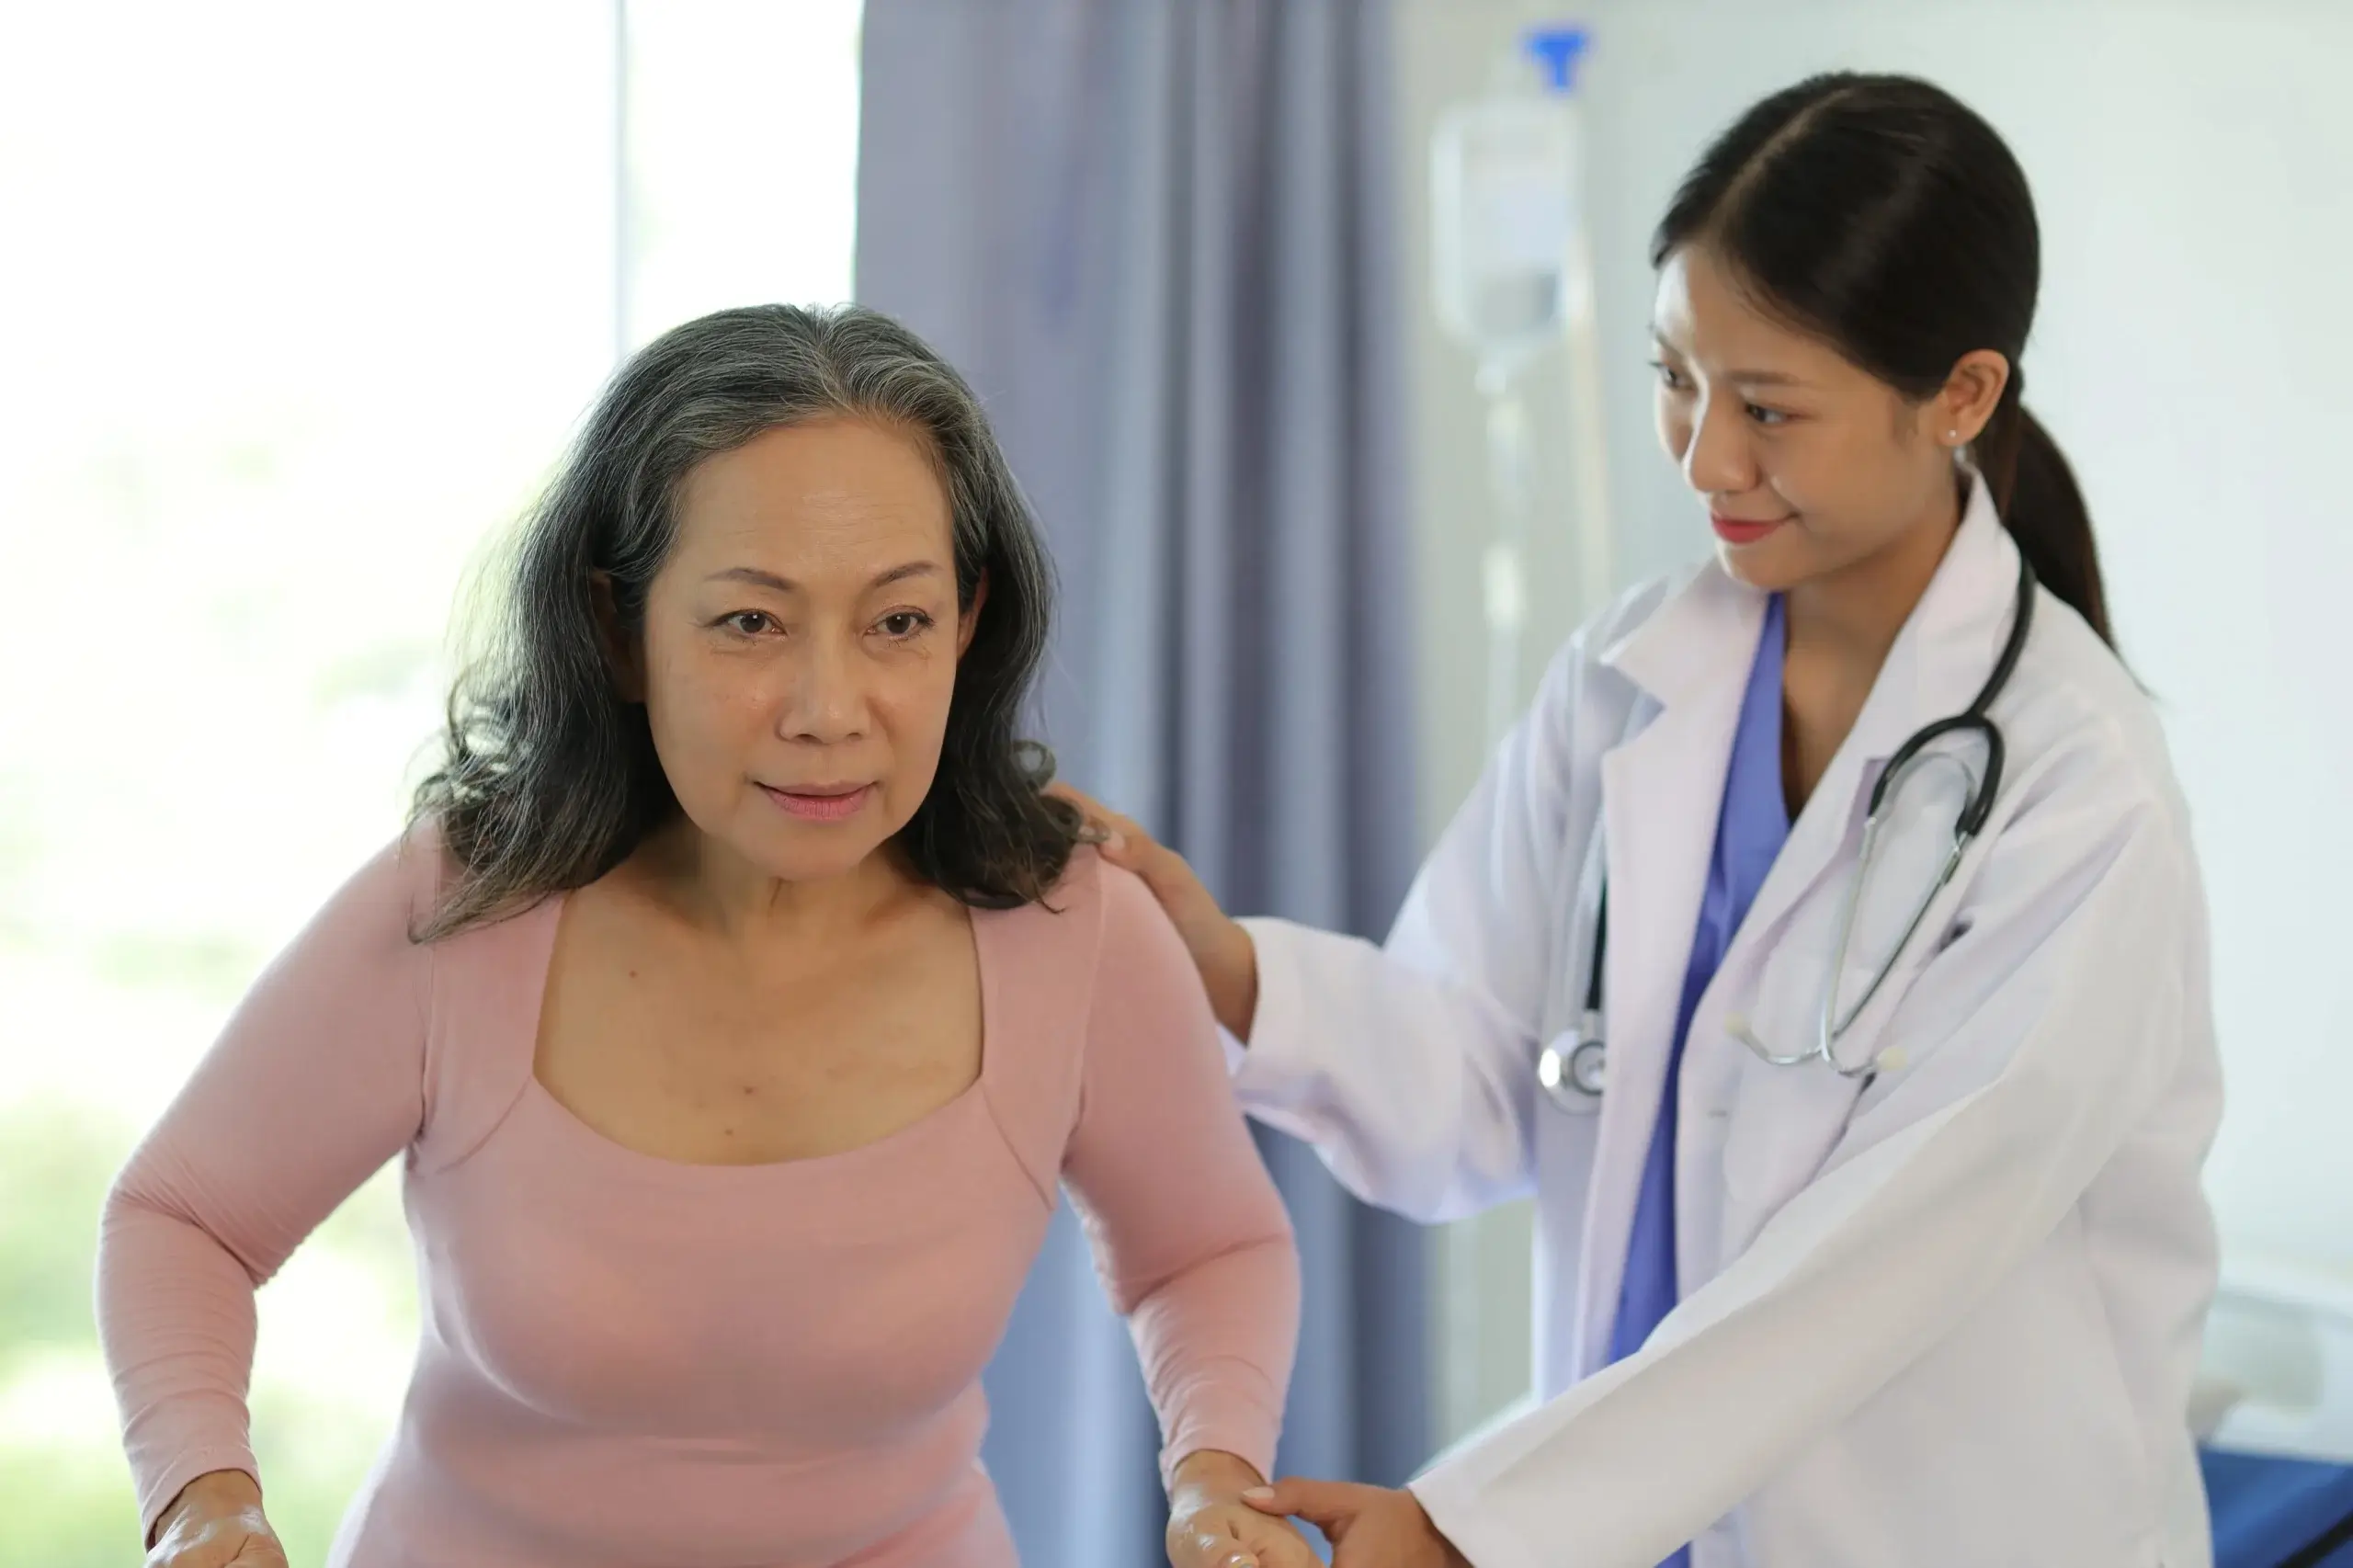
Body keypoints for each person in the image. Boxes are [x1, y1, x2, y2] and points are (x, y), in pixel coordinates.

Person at [1063, 74, 2224, 1568]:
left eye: (1769, 409)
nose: (1704, 459)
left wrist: (1474, 1523)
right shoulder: (1633, 684)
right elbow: (1475, 1074)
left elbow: (1870, 1270)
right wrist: (1221, 963)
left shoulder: (2080, 796)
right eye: (1679, 377)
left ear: (1962, 396)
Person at [97, 304, 1319, 1568]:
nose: (828, 709)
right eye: (751, 622)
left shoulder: (1076, 929)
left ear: (966, 621)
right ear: (620, 630)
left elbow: (1208, 1244)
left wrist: (1213, 1472)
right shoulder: (461, 909)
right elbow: (184, 1216)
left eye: (896, 621)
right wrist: (205, 1501)